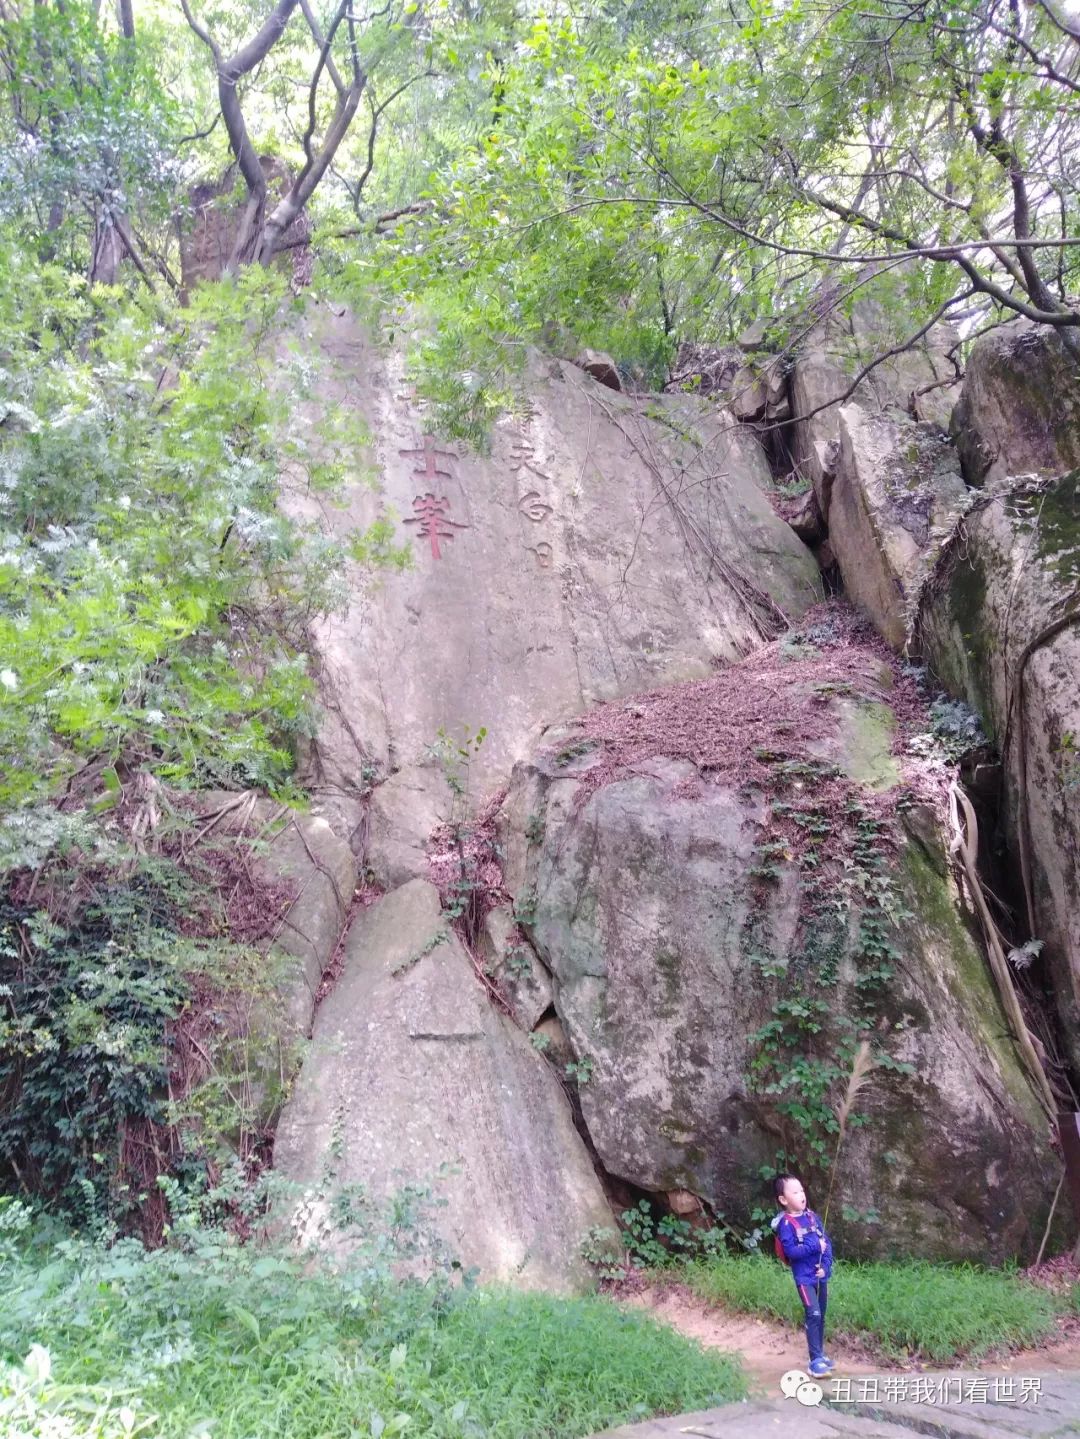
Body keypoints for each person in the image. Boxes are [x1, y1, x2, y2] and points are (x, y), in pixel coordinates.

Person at [770, 1173, 834, 1377]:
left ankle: (820, 1354)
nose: (801, 1195)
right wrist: (815, 1245)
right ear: (783, 1199)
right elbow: (792, 1253)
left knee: (821, 1315)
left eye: (802, 1190)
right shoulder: (786, 1225)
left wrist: (826, 1267)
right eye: (795, 1192)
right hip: (804, 1280)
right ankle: (814, 1360)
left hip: (820, 1276)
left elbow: (827, 1245)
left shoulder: (813, 1217)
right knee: (813, 1314)